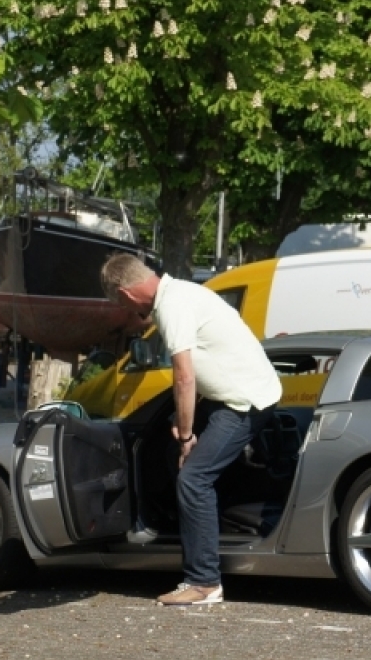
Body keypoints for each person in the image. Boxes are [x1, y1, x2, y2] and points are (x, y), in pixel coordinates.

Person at [101, 253, 282, 607]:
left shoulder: (171, 307)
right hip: (241, 394)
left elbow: (184, 376)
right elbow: (200, 367)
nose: (129, 313)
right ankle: (196, 530)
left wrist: (186, 436)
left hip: (243, 402)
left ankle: (204, 582)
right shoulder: (184, 291)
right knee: (173, 457)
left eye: (121, 305)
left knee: (194, 478)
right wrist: (181, 427)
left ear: (124, 294)